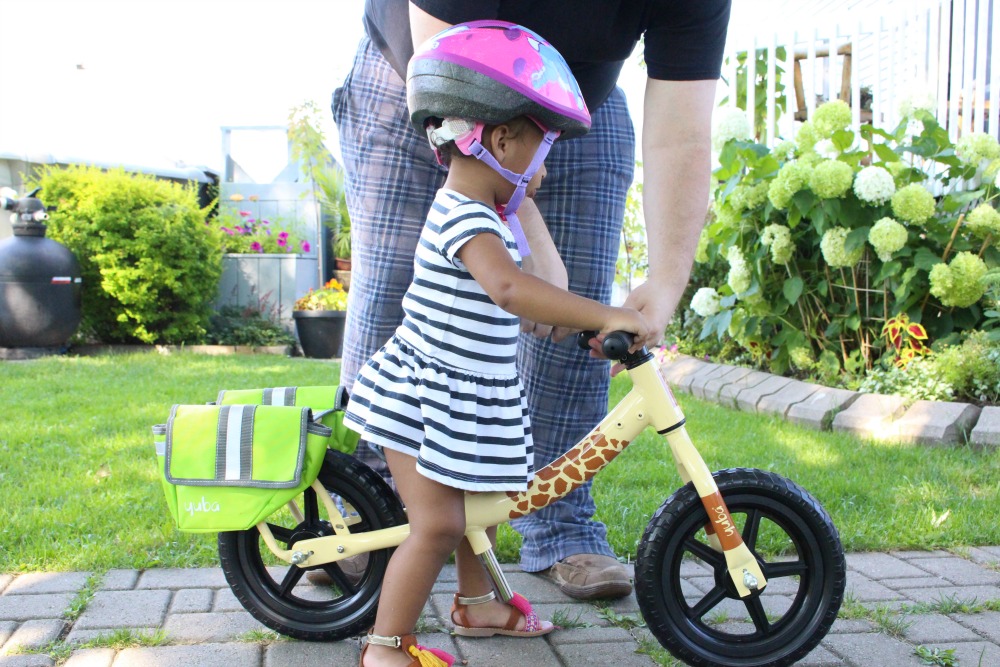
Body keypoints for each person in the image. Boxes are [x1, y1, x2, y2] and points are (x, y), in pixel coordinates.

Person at [331, 0, 731, 600]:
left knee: (570, 330)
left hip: (568, 97)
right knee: (397, 299)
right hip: (426, 76)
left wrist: (666, 284)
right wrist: (527, 237)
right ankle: (366, 514)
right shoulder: (466, 141)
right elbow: (452, 70)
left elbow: (682, 127)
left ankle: (552, 529)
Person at [346, 21, 651, 666]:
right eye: (542, 152)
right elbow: (512, 292)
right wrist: (609, 310)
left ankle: (479, 604)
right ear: (500, 139)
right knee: (439, 524)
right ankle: (385, 647)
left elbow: (544, 293)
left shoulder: (494, 216)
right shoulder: (461, 214)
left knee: (476, 506)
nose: (545, 170)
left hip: (465, 391)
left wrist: (584, 322)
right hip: (423, 397)